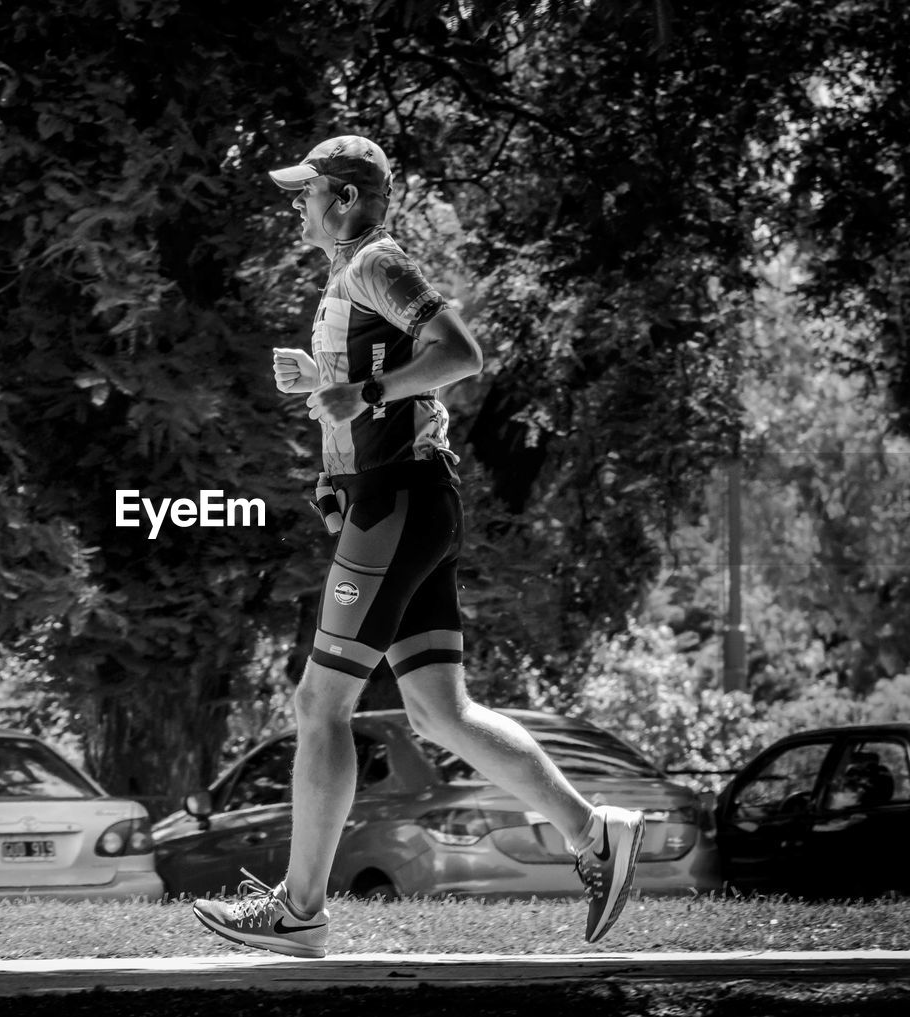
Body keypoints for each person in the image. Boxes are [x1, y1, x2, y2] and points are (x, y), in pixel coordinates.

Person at [191, 135, 644, 958]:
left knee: (318, 705)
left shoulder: (377, 260)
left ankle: (300, 909)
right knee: (439, 709)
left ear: (347, 197)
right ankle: (595, 829)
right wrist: (326, 379)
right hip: (406, 498)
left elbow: (459, 354)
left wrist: (358, 390)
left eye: (307, 192)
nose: (297, 204)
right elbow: (373, 389)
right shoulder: (349, 276)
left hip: (399, 499)